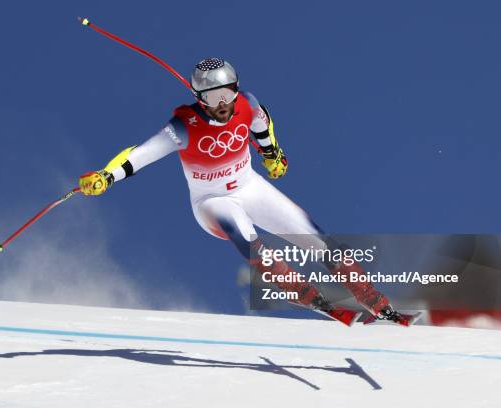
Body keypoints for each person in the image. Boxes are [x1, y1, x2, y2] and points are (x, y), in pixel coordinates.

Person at [79, 58, 400, 324]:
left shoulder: (246, 104)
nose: (222, 104)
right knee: (251, 242)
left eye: (227, 94)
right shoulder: (184, 127)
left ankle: (374, 299)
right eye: (212, 97)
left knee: (317, 239)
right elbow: (141, 153)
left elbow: (262, 123)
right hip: (212, 201)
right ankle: (311, 297)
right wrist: (107, 176)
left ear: (235, 89)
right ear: (199, 97)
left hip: (249, 185)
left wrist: (272, 154)